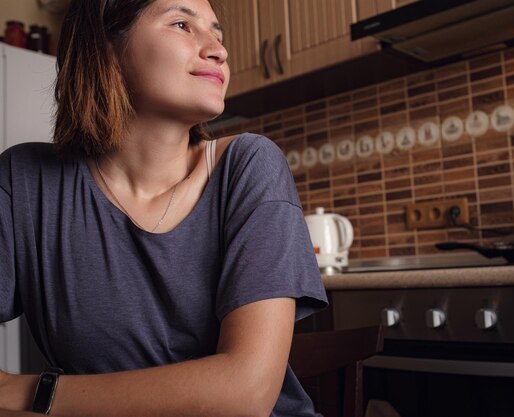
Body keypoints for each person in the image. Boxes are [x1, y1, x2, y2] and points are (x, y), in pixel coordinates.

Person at [0, 0, 328, 416]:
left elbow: (246, 393)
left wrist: (32, 392)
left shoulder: (248, 165)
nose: (218, 49)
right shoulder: (24, 180)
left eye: (217, 33)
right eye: (181, 24)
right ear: (106, 50)